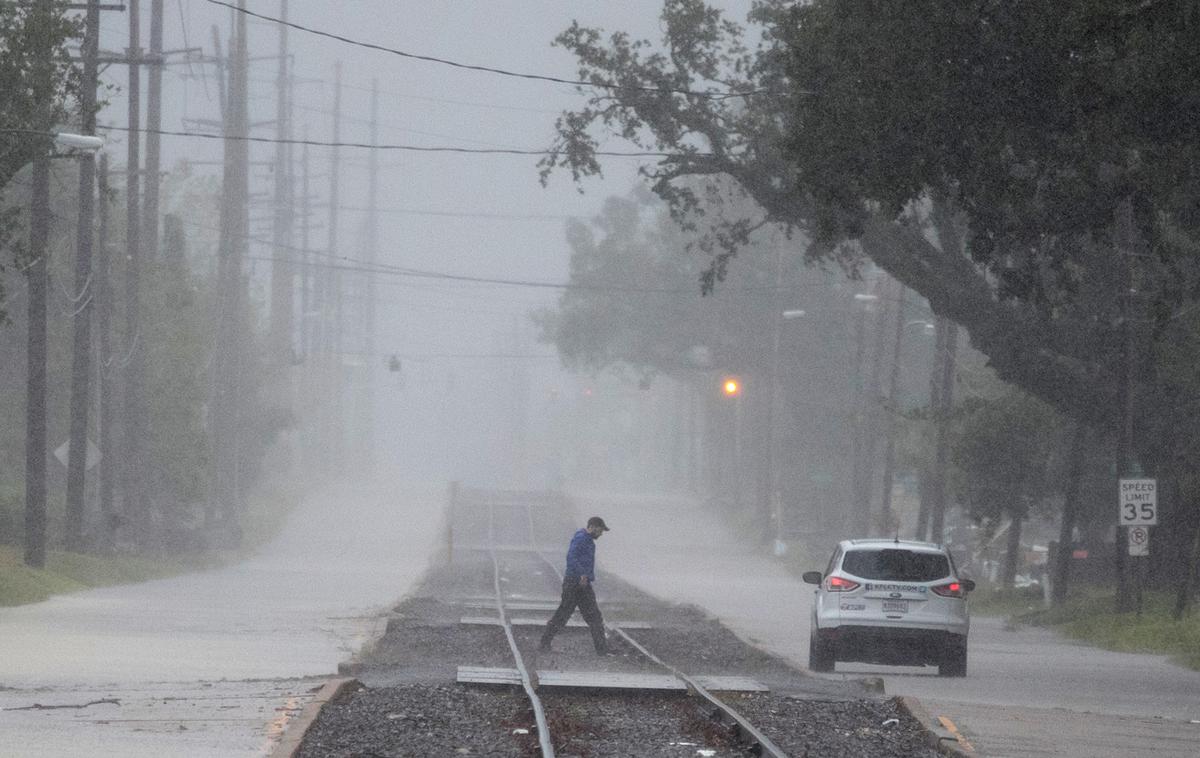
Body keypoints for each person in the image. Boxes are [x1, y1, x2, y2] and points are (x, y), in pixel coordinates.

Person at [539, 516, 612, 655]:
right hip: (574, 583)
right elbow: (571, 557)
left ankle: (602, 650)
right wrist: (582, 574)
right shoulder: (581, 538)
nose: (601, 534)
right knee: (564, 614)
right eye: (600, 530)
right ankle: (544, 643)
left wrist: (585, 576)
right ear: (593, 527)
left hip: (582, 584)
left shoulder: (587, 540)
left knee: (593, 616)